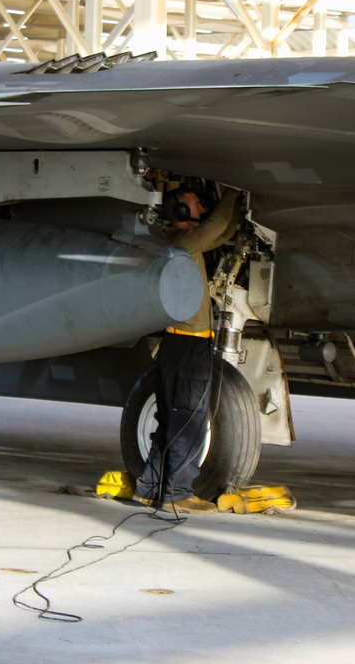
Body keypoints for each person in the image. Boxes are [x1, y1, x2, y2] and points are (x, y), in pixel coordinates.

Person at [134, 184, 242, 513]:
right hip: (190, 343)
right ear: (180, 212)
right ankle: (177, 493)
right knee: (189, 422)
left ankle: (149, 487)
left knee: (170, 419)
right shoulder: (182, 243)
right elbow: (214, 227)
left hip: (176, 343)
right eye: (195, 204)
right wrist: (232, 194)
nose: (201, 210)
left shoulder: (183, 243)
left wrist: (237, 214)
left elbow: (220, 234)